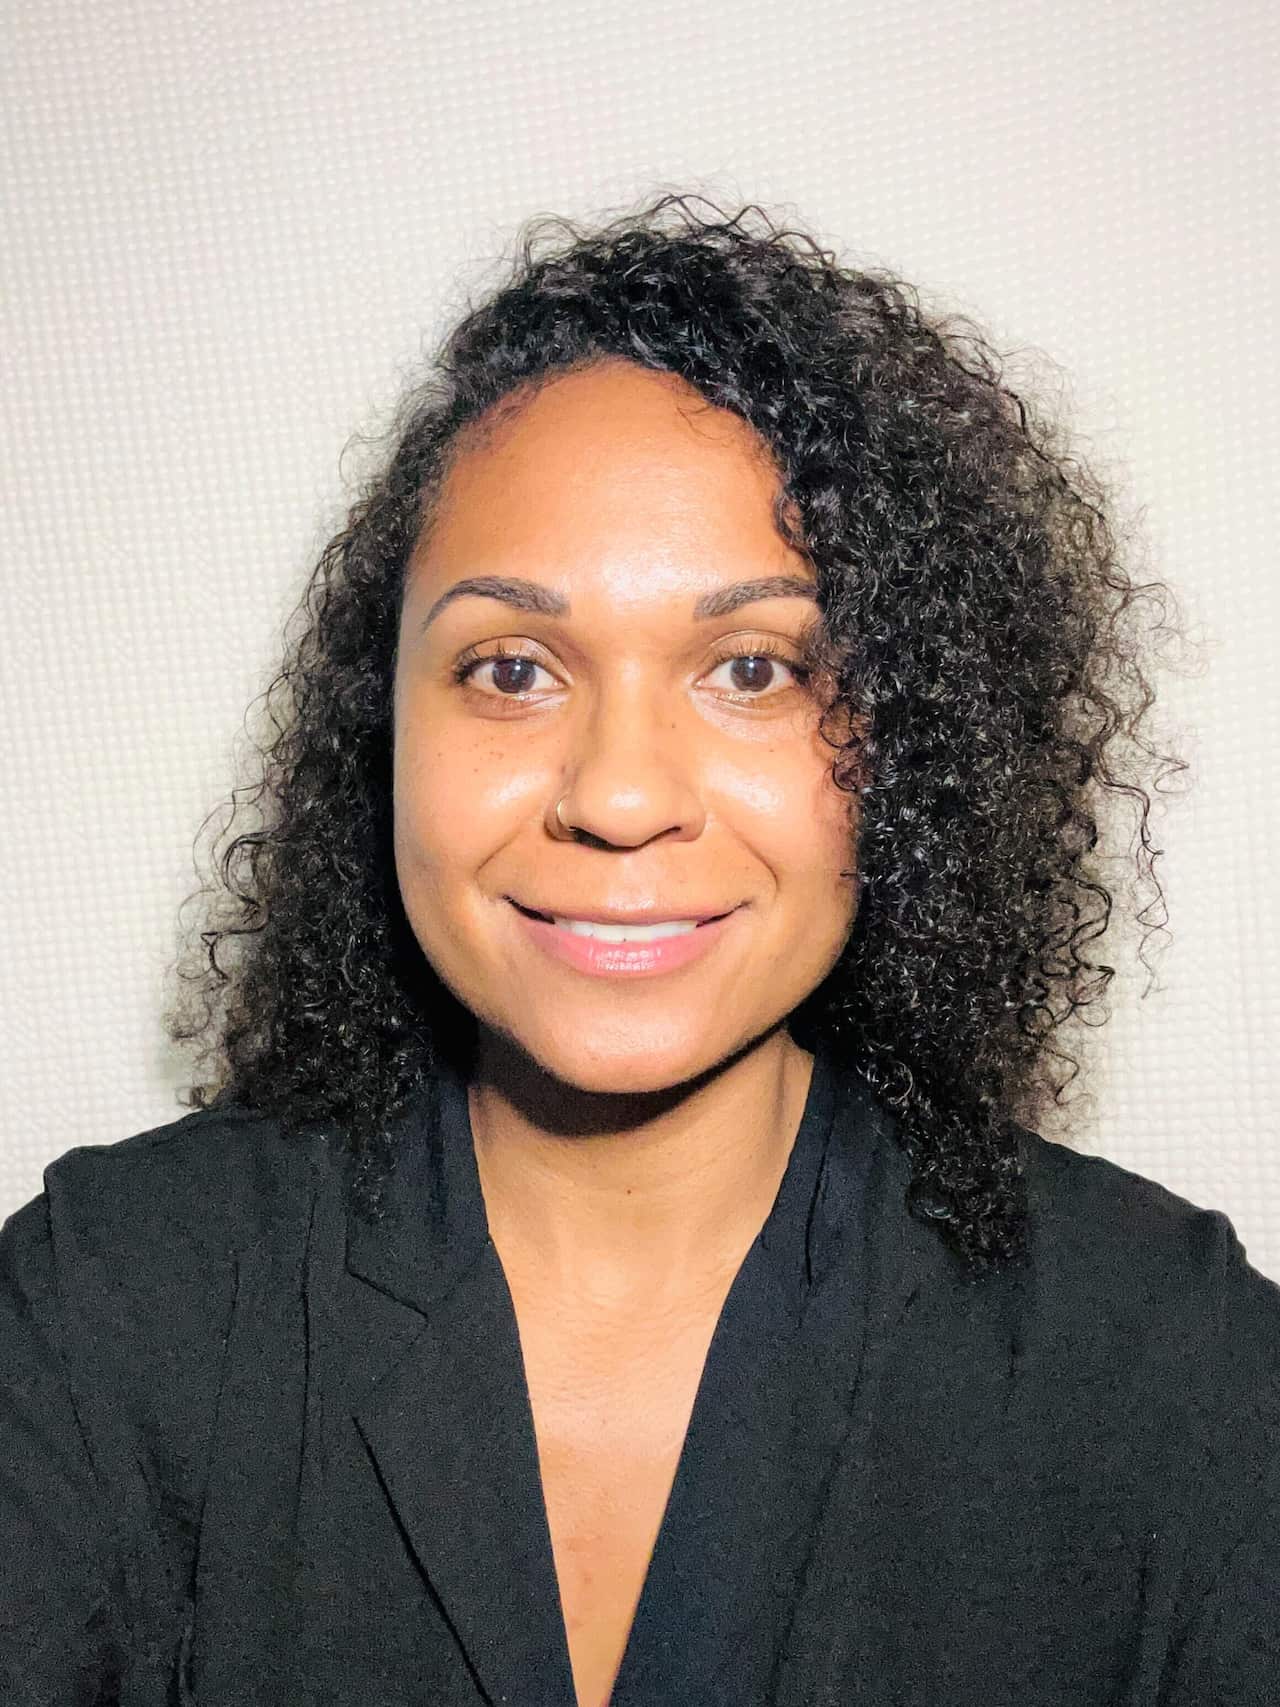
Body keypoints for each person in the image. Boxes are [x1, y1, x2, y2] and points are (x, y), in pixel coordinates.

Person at [2, 196, 1277, 1707]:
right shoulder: (111, 1309)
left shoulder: (1167, 1364)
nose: (616, 795)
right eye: (512, 668)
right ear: (385, 731)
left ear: (921, 741)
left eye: (754, 670)